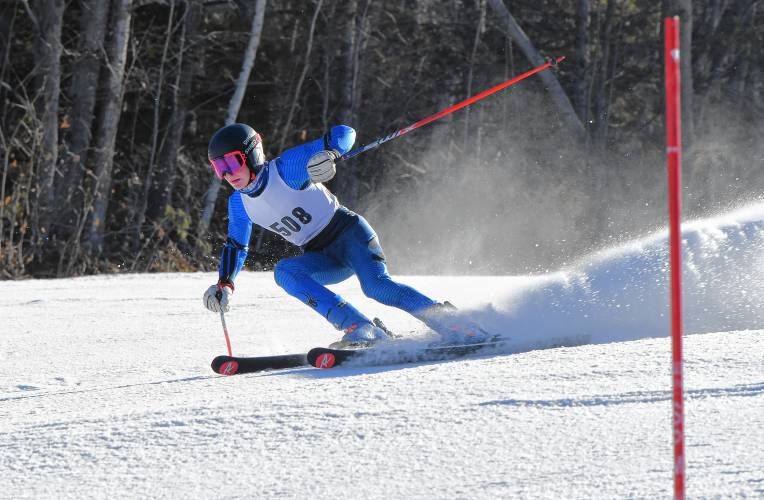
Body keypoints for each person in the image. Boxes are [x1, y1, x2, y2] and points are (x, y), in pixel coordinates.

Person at [202, 122, 489, 347]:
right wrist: (225, 283)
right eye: (219, 168)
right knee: (285, 272)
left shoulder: (287, 169)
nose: (227, 174)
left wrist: (331, 153)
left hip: (349, 234)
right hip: (322, 256)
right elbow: (236, 246)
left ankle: (454, 323)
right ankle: (361, 328)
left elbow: (344, 133)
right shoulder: (239, 203)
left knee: (377, 287)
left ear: (251, 154)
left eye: (231, 163)